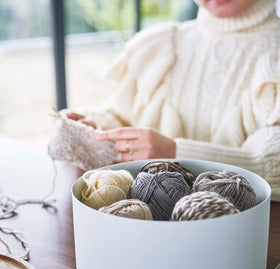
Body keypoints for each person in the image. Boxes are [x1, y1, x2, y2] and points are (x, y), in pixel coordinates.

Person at [65, 0, 280, 200]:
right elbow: (120, 116)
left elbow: (273, 162)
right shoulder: (161, 45)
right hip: (150, 226)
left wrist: (177, 154)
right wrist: (94, 128)